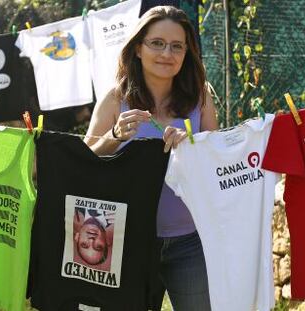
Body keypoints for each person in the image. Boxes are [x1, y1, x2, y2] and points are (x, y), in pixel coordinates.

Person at [84, 5, 218, 310]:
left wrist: (193, 145)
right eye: (157, 43)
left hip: (189, 240)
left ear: (187, 53)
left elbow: (216, 158)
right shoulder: (115, 99)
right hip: (125, 241)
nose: (166, 53)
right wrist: (115, 135)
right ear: (138, 49)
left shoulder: (200, 97)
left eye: (176, 46)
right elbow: (85, 158)